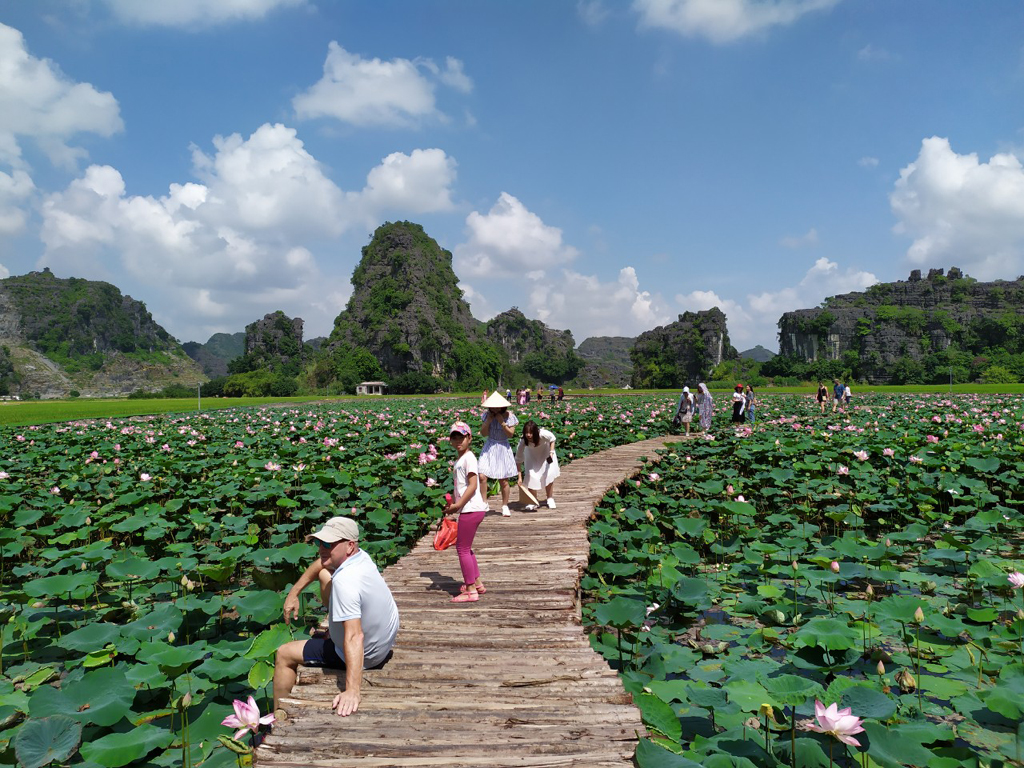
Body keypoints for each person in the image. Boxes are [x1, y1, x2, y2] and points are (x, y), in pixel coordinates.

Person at [276, 516, 400, 717]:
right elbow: (321, 564)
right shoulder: (361, 557)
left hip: (368, 656)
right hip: (384, 642)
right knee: (325, 573)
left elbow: (354, 637)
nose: (321, 548)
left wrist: (352, 690)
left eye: (328, 544)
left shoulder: (345, 582)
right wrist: (294, 592)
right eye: (319, 542)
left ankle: (276, 717)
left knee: (284, 653)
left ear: (349, 546)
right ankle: (334, 629)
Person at [445, 421, 489, 603]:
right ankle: (477, 582)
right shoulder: (462, 459)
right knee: (467, 548)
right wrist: (455, 503)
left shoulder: (469, 458)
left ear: (469, 438)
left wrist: (458, 505)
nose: (458, 441)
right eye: (454, 438)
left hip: (470, 508)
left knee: (461, 549)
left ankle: (470, 590)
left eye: (461, 437)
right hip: (471, 507)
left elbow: (473, 485)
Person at [478, 391, 519, 516]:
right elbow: (484, 433)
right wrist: (488, 422)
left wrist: (502, 423)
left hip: (502, 446)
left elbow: (510, 434)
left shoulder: (509, 416)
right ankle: (484, 502)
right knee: (482, 476)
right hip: (490, 445)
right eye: (493, 407)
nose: (495, 409)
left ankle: (505, 505)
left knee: (503, 480)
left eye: (497, 407)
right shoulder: (486, 415)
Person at [515, 420, 560, 509]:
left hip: (546, 453)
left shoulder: (543, 434)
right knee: (531, 475)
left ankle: (550, 498)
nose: (528, 435)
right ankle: (533, 500)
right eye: (526, 432)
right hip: (531, 456)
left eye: (531, 433)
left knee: (548, 474)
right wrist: (519, 477)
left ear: (535, 432)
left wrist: (551, 452)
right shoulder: (523, 442)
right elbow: (518, 459)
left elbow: (552, 438)